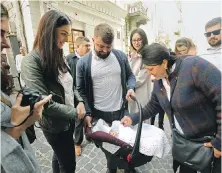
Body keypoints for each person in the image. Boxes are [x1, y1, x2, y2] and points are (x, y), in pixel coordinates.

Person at [121, 43, 221, 173]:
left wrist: (220, 141)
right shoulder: (159, 80)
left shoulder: (193, 66)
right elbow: (153, 106)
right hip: (184, 144)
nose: (150, 75)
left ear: (164, 62)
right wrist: (132, 118)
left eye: (151, 69)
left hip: (208, 143)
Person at [21, 10, 86, 173]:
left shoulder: (58, 55)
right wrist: (76, 113)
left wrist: (81, 102)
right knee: (69, 164)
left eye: (67, 34)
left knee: (59, 157)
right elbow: (45, 105)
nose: (65, 39)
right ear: (49, 30)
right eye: (63, 34)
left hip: (68, 120)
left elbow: (70, 86)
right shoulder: (31, 62)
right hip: (55, 126)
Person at [76, 23, 136, 173]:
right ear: (93, 39)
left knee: (127, 143)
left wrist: (130, 87)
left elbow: (130, 76)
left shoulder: (120, 56)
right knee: (109, 150)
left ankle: (128, 167)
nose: (105, 50)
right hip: (100, 114)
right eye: (100, 46)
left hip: (121, 111)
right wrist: (88, 112)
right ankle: (112, 168)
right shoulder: (83, 63)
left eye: (108, 47)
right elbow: (80, 90)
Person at [1, 4, 52, 173]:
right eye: (0, 33)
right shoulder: (30, 60)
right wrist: (19, 125)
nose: (7, 43)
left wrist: (26, 120)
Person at [92, 119, 171, 158]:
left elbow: (119, 125)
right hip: (124, 136)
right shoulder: (107, 135)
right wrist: (110, 133)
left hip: (124, 127)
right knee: (140, 138)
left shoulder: (114, 124)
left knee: (144, 130)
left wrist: (111, 130)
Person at [67, 36, 91, 156]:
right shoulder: (69, 59)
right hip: (76, 95)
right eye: (86, 46)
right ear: (78, 46)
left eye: (89, 45)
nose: (89, 48)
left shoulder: (90, 58)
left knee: (89, 115)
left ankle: (89, 134)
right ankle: (77, 143)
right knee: (78, 119)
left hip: (89, 93)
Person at [128, 28, 152, 114]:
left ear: (144, 40)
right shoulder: (132, 55)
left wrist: (127, 84)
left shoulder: (147, 56)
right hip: (131, 92)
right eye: (134, 40)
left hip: (141, 93)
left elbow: (140, 79)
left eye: (139, 40)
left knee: (141, 119)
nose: (136, 43)